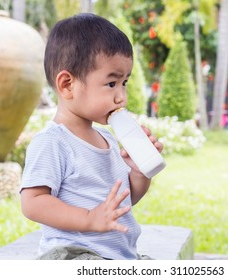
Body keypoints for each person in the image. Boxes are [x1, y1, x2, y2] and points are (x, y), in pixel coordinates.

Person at [20, 13, 163, 260]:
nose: (121, 97)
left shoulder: (106, 139)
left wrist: (139, 174)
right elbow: (32, 202)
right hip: (74, 255)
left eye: (124, 83)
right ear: (67, 85)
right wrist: (89, 219)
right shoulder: (53, 141)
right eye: (111, 84)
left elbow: (120, 203)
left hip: (119, 256)